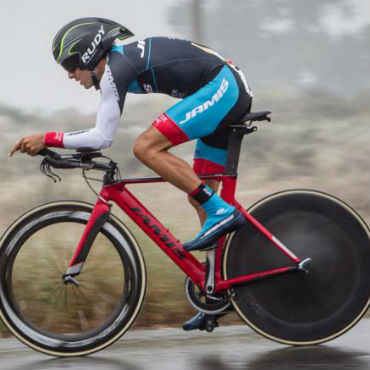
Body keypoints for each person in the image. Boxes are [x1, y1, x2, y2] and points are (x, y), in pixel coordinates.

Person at [9, 17, 254, 330]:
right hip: (224, 87)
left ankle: (221, 212)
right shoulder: (119, 65)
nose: (70, 75)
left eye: (70, 66)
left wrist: (49, 138)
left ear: (87, 55)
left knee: (146, 148)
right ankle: (215, 291)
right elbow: (101, 133)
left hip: (222, 88)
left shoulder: (115, 68)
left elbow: (102, 137)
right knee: (200, 196)